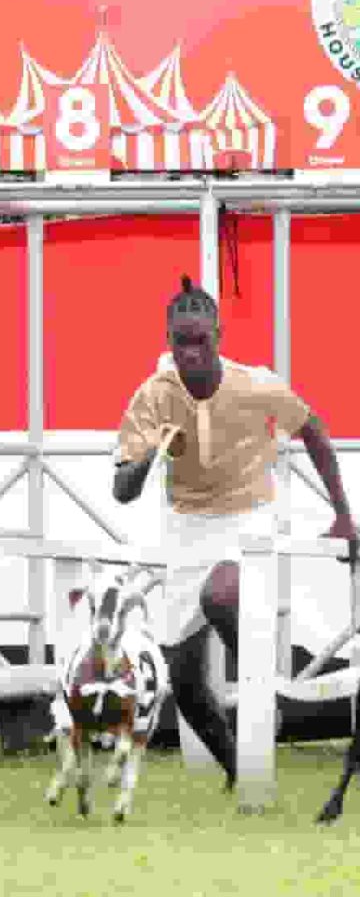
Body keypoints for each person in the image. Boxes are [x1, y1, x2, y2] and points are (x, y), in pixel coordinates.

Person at [110, 276, 356, 789]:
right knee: (183, 677)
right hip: (185, 527)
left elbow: (313, 430)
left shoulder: (253, 383)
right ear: (169, 341)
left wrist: (343, 514)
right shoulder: (153, 396)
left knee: (222, 594)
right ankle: (238, 771)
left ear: (219, 335)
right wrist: (153, 451)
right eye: (183, 341)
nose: (193, 351)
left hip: (248, 515)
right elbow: (122, 489)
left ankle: (260, 692)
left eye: (203, 339)